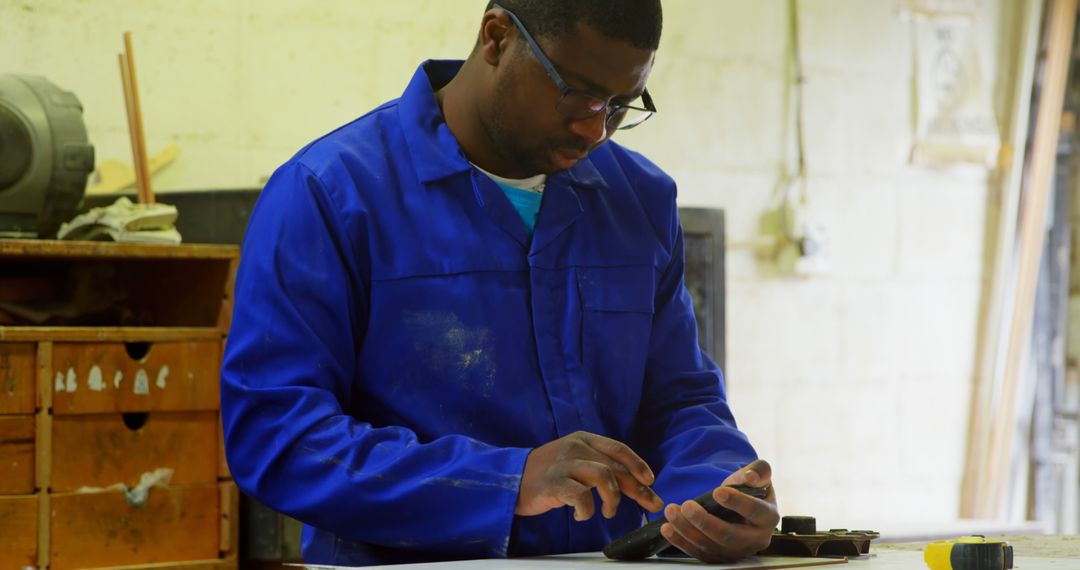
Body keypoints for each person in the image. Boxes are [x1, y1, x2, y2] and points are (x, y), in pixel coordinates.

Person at [221, 0, 780, 566]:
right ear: (497, 37)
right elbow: (279, 437)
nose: (594, 128)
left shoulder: (639, 200)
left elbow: (680, 397)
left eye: (619, 106)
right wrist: (507, 481)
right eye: (580, 94)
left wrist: (720, 491)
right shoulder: (330, 195)